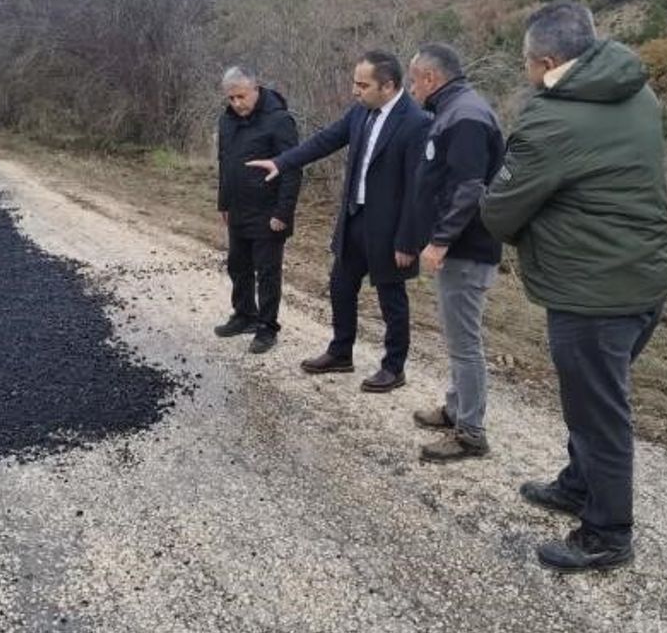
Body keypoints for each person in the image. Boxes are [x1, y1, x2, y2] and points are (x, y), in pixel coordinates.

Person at [481, 0, 667, 573]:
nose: (525, 72)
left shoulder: (549, 121)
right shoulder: (639, 93)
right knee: (593, 398)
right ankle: (577, 483)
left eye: (525, 63)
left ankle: (608, 533)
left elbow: (499, 212)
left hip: (591, 295)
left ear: (545, 60)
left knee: (599, 412)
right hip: (645, 280)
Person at [248, 51, 429, 393]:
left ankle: (393, 367)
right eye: (354, 83)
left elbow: (418, 189)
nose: (355, 91)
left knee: (392, 297)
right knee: (341, 285)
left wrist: (409, 241)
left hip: (391, 230)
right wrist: (282, 162)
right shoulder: (361, 111)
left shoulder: (416, 122)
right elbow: (325, 140)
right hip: (354, 218)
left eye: (363, 85)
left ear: (388, 86)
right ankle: (340, 352)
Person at [407, 42, 506, 463]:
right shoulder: (454, 109)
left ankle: (471, 432)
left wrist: (441, 240)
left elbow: (469, 189)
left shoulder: (464, 116)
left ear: (431, 78)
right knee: (455, 334)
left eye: (414, 81)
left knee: (465, 342)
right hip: (460, 247)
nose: (412, 90)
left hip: (468, 249)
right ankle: (455, 408)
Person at [214, 66, 303, 354]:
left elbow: (292, 169)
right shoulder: (226, 122)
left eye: (241, 96)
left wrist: (283, 212)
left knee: (267, 272)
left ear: (256, 89)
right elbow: (224, 164)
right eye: (231, 98)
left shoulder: (279, 121)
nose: (237, 103)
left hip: (268, 211)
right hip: (238, 207)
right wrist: (223, 202)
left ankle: (267, 327)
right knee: (238, 266)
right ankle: (244, 315)